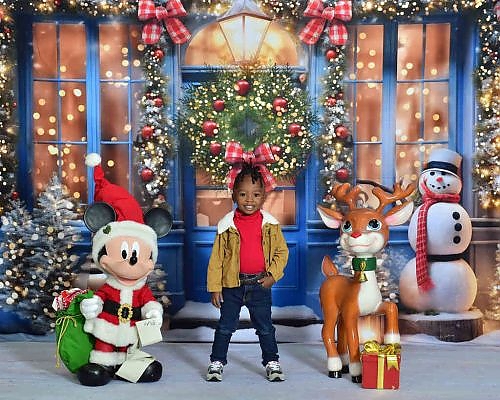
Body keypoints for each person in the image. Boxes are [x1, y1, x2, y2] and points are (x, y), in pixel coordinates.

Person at [206, 163, 289, 382]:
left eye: (256, 194)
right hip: (232, 285)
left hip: (260, 284)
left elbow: (281, 252)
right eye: (243, 194)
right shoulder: (226, 226)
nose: (249, 200)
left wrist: (273, 275)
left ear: (264, 197)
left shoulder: (271, 225)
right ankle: (216, 362)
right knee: (225, 327)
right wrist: (215, 287)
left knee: (265, 328)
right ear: (233, 195)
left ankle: (272, 362)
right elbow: (216, 259)